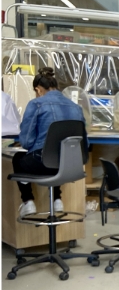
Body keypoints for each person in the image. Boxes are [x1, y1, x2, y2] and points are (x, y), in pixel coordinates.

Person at [13, 67, 87, 216]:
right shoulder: (76, 107)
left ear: (38, 89)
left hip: (44, 163)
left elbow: (27, 141)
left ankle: (28, 202)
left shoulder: (36, 104)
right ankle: (57, 199)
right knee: (56, 156)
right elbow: (85, 143)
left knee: (18, 159)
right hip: (72, 165)